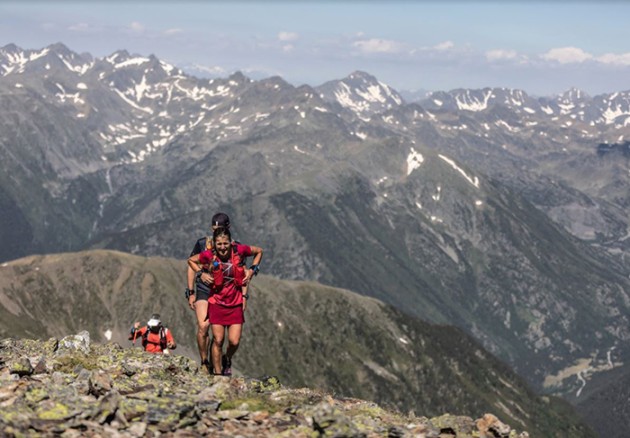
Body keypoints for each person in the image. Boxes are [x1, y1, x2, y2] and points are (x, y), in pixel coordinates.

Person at [188, 226, 263, 376]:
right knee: (218, 340)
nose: (222, 247)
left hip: (234, 302)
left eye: (225, 243)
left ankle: (226, 358)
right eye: (219, 244)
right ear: (215, 244)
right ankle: (217, 374)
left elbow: (259, 251)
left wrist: (253, 269)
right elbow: (191, 260)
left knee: (234, 341)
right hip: (216, 302)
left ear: (230, 242)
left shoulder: (240, 250)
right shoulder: (209, 255)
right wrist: (200, 273)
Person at [186, 212, 233, 371]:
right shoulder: (202, 244)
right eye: (214, 229)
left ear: (228, 228)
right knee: (203, 326)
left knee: (218, 333)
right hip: (204, 288)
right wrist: (191, 291)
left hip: (223, 291)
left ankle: (217, 361)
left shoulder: (233, 246)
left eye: (219, 229)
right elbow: (191, 265)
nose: (216, 232)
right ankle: (204, 361)